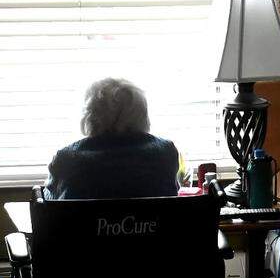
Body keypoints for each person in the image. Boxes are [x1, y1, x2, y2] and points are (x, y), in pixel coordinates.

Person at [44, 77, 180, 199]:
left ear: (91, 116)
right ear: (142, 115)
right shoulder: (166, 154)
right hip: (149, 226)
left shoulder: (67, 159)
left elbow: (48, 206)